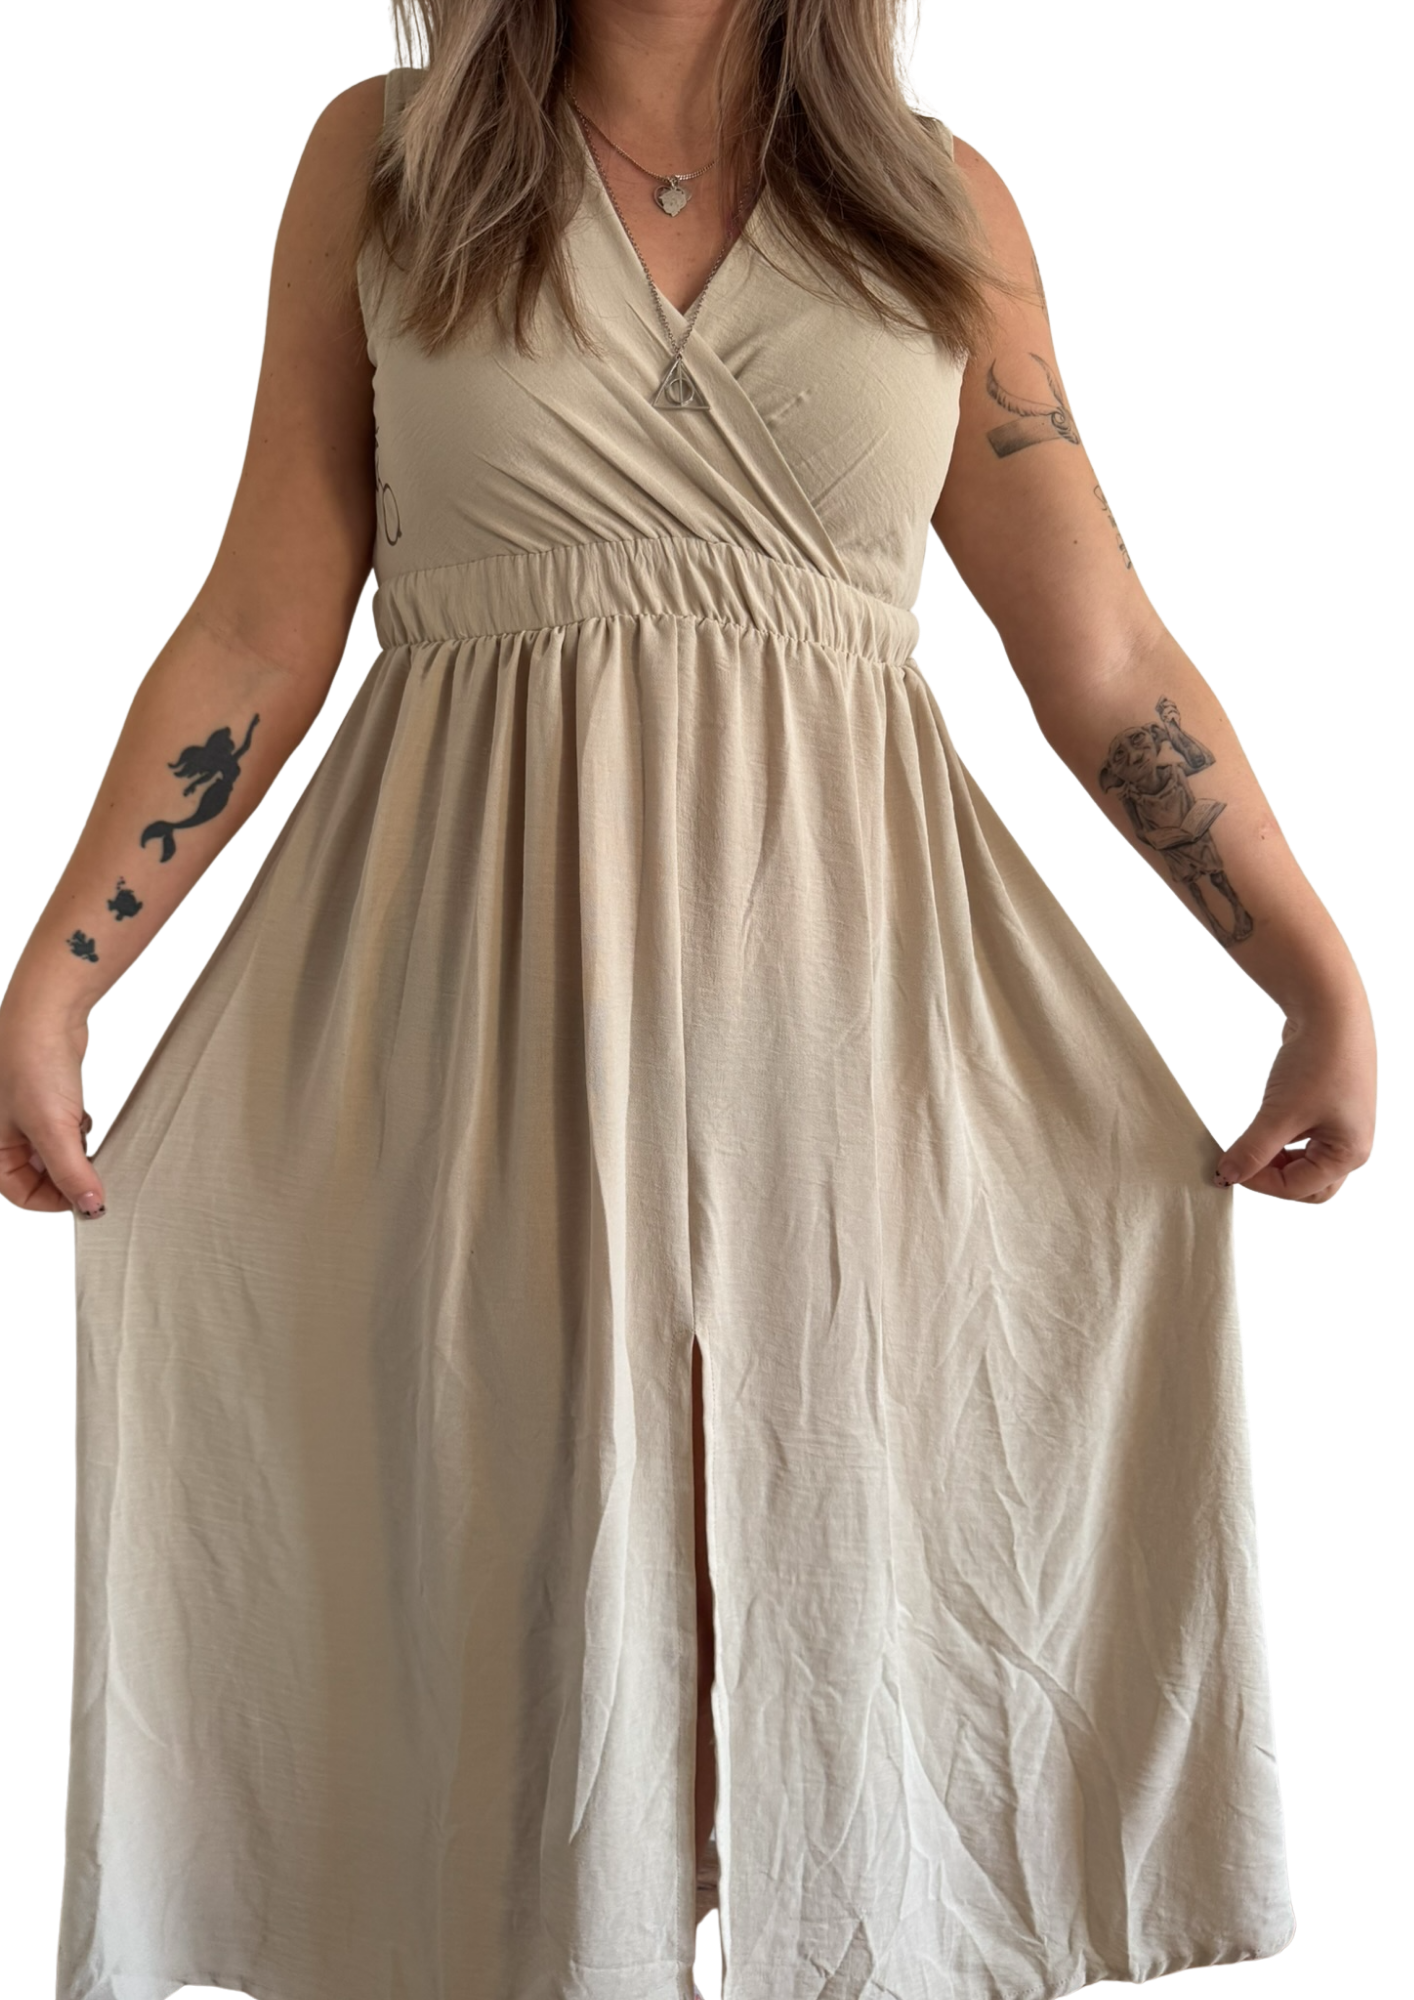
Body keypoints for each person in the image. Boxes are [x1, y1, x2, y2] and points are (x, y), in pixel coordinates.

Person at [6, 3, 1375, 1998]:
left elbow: (1099, 655)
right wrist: (66, 973)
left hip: (850, 1065)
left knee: (845, 1661)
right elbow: (261, 621)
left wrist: (1310, 975)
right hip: (478, 1049)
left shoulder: (937, 196)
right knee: (512, 1692)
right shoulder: (387, 152)